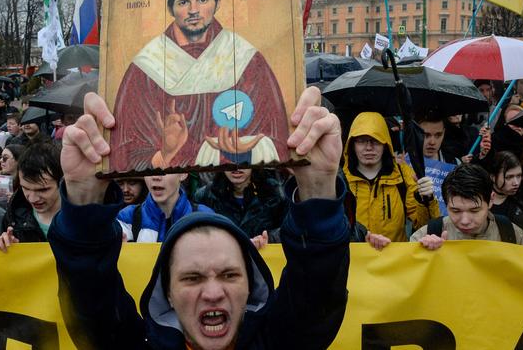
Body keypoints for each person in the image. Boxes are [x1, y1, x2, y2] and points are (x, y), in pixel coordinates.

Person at [47, 87, 349, 350]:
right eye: (192, 278)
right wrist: (84, 201)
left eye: (230, 275)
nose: (214, 293)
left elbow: (316, 291)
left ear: (251, 287)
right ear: (167, 294)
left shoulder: (282, 343)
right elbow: (91, 304)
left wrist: (318, 188)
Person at [109, 0, 289, 172]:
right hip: (169, 191)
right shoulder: (146, 67)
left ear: (217, 3)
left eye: (203, 0)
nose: (193, 10)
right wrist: (164, 154)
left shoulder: (245, 59)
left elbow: (275, 138)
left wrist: (242, 152)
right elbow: (123, 150)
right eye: (184, 2)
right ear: (170, 9)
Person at [343, 112, 440, 242]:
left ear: (386, 144)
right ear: (352, 145)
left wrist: (426, 200)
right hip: (354, 260)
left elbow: (423, 227)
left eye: (376, 141)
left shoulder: (403, 175)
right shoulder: (340, 180)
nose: (369, 147)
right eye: (361, 141)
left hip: (394, 260)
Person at [407, 163, 523, 248]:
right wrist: (423, 256)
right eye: (455, 210)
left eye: (474, 210)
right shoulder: (427, 235)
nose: (465, 221)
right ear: (446, 203)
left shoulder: (511, 234)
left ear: (491, 200)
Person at [0, 143, 62, 251]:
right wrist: (5, 246)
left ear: (61, 182)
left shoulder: (85, 215)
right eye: (26, 188)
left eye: (43, 190)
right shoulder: (14, 215)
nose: (32, 198)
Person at [194, 168, 288, 242]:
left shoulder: (274, 194)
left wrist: (266, 238)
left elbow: (287, 231)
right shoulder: (206, 196)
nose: (237, 166)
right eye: (230, 158)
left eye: (243, 157)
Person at [117, 173, 214, 242]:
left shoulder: (205, 218)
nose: (155, 177)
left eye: (165, 169)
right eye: (149, 169)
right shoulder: (126, 218)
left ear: (183, 174)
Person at [489, 151, 523, 235]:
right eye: (509, 177)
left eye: (519, 176)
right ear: (493, 177)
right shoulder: (481, 203)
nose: (516, 183)